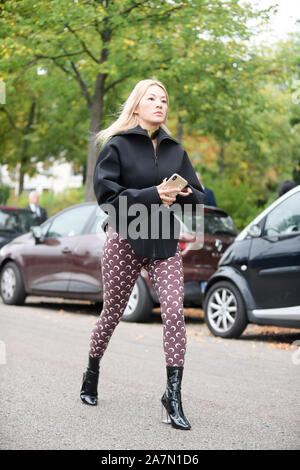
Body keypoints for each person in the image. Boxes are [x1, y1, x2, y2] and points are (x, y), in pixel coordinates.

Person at [80, 79, 205, 431]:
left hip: (164, 243)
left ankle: (173, 396)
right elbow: (107, 196)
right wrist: (154, 193)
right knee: (112, 313)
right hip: (126, 239)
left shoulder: (175, 150)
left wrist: (180, 195)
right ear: (137, 105)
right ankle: (92, 372)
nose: (159, 104)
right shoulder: (117, 145)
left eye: (164, 99)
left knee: (174, 314)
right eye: (152, 98)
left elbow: (198, 195)